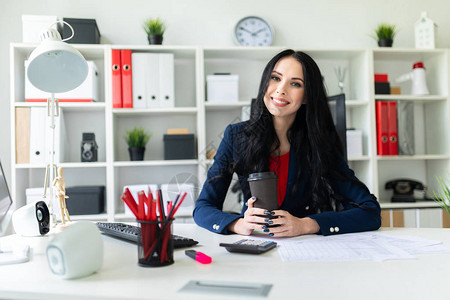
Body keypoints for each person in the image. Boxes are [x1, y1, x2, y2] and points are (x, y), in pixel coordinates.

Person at [193, 49, 381, 237]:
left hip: (304, 245)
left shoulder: (319, 142)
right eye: (275, 78)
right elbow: (203, 208)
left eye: (295, 84)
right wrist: (237, 224)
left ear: (307, 95)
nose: (281, 89)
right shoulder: (236, 136)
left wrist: (307, 225)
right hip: (254, 243)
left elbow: (370, 212)